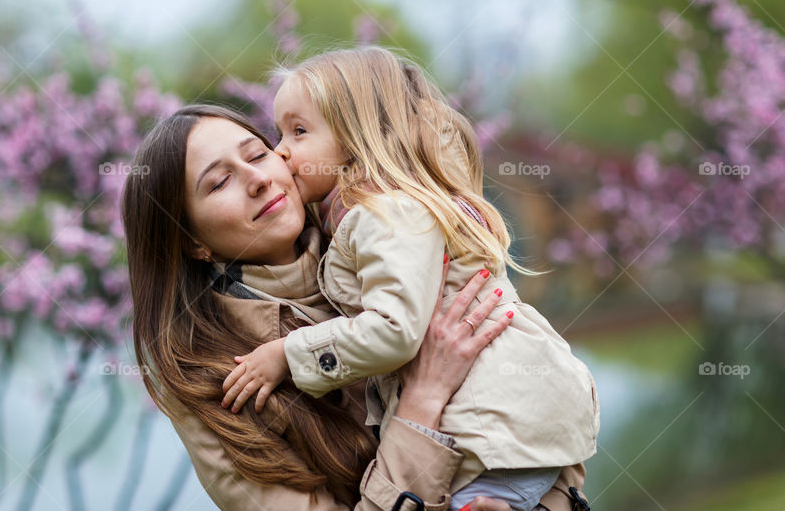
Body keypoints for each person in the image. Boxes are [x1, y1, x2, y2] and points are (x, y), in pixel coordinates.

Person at [122, 104, 586, 510]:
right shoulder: (213, 382)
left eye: (259, 154)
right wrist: (421, 404)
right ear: (192, 242)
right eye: (221, 181)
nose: (259, 180)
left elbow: (536, 411)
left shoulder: (388, 242)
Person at [221, 48, 599, 511]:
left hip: (489, 438)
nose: (280, 150)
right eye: (280, 132)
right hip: (507, 428)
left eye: (299, 132)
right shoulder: (385, 209)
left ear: (357, 136)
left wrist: (287, 353)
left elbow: (394, 331)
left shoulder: (385, 214)